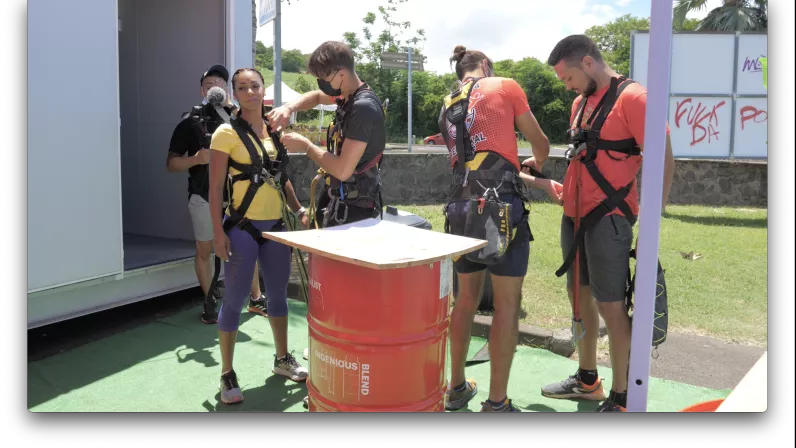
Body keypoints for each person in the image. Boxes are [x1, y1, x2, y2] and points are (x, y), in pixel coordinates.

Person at [536, 35, 675, 412]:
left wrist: (652, 224)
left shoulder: (635, 98)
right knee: (579, 298)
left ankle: (622, 395)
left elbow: (663, 159)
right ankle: (587, 380)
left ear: (587, 62)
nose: (567, 87)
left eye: (568, 78)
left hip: (609, 219)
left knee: (611, 306)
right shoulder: (580, 103)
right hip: (574, 218)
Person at [438, 46, 563, 412]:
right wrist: (536, 163)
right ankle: (496, 402)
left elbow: (471, 160)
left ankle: (456, 387)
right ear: (486, 65)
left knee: (464, 300)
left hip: (460, 209)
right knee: (507, 303)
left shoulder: (447, 103)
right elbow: (541, 144)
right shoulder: (505, 85)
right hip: (501, 208)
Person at [208, 67, 310, 405]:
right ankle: (227, 372)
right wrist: (217, 233)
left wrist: (299, 209)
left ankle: (282, 358)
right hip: (242, 228)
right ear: (234, 94)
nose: (250, 92)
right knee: (235, 299)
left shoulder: (274, 129)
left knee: (278, 296)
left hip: (276, 228)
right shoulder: (225, 133)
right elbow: (214, 188)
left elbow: (280, 176)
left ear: (264, 89)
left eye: (255, 86)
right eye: (242, 88)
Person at [167, 64, 272, 324]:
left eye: (220, 83)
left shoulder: (241, 118)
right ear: (201, 90)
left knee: (246, 245)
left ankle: (256, 298)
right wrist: (196, 158)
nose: (215, 87)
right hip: (203, 195)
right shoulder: (190, 122)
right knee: (205, 248)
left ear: (227, 89)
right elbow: (172, 163)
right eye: (208, 84)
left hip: (240, 197)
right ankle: (209, 299)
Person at [267, 40, 386, 229]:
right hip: (338, 197)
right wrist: (288, 108)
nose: (321, 83)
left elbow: (343, 170)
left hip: (356, 211)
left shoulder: (363, 108)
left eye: (324, 78)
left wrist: (306, 146)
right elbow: (315, 97)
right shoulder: (347, 94)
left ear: (341, 74)